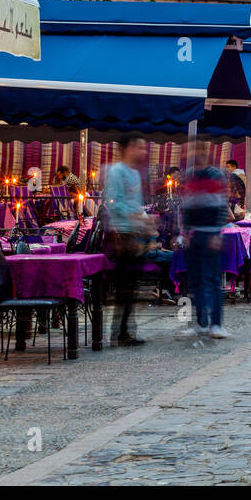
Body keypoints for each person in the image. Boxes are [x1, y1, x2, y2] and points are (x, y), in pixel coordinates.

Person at [103, 136, 155, 347]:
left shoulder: (135, 174)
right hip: (122, 235)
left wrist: (145, 218)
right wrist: (134, 215)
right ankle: (120, 332)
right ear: (127, 148)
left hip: (136, 234)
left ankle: (124, 330)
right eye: (139, 147)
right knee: (126, 286)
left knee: (132, 286)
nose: (143, 152)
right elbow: (113, 201)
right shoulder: (116, 172)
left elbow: (136, 203)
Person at [179, 142, 231, 339]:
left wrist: (217, 233)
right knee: (196, 281)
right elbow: (185, 206)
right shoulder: (189, 175)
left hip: (210, 234)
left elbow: (222, 205)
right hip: (193, 235)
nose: (194, 154)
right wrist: (184, 232)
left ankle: (216, 324)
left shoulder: (215, 175)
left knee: (212, 280)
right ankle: (201, 323)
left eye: (197, 150)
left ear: (204, 153)